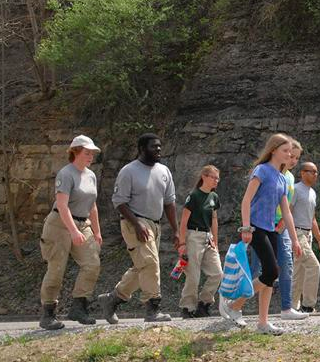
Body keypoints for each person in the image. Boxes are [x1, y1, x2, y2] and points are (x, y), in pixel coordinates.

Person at [223, 133, 303, 335]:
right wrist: (246, 227)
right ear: (273, 150)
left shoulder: (282, 178)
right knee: (271, 272)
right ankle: (234, 305)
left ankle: (263, 323)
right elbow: (246, 200)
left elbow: (286, 212)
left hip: (272, 229)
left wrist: (295, 240)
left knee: (269, 277)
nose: (288, 155)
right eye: (285, 151)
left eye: (290, 152)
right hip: (256, 228)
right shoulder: (262, 170)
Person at [99, 133, 180, 323]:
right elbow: (119, 202)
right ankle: (153, 308)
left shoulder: (164, 171)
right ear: (142, 149)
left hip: (155, 224)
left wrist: (176, 230)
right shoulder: (129, 171)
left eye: (160, 147)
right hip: (134, 222)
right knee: (151, 263)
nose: (158, 150)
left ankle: (112, 299)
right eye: (154, 147)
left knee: (142, 266)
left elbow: (169, 203)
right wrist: (136, 224)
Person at [38, 135, 103, 330]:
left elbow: (93, 205)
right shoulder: (66, 174)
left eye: (92, 153)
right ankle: (48, 313)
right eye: (87, 153)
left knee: (92, 264)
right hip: (59, 224)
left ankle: (79, 307)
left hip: (83, 223)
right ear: (75, 152)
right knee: (56, 269)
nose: (90, 156)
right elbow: (62, 205)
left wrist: (97, 231)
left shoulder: (91, 175)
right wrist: (73, 231)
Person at [251, 139, 308, 320]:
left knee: (284, 266)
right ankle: (235, 301)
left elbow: (287, 206)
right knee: (257, 268)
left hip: (280, 227)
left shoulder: (288, 177)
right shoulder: (266, 171)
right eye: (291, 155)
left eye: (296, 158)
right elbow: (253, 201)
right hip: (262, 225)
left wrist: (290, 233)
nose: (292, 160)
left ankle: (286, 307)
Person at [177, 165, 222, 318]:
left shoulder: (214, 196)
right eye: (213, 177)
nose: (216, 181)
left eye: (217, 178)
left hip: (207, 236)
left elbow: (214, 219)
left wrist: (215, 240)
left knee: (217, 273)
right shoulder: (194, 195)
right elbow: (183, 221)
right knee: (193, 276)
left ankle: (204, 303)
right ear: (204, 176)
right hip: (193, 236)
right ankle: (187, 307)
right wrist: (182, 243)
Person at [291, 161, 320, 313]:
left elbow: (312, 219)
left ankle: (292, 307)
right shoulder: (295, 189)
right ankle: (308, 305)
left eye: (316, 172)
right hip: (296, 232)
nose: (315, 175)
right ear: (302, 173)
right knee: (314, 266)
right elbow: (287, 212)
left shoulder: (312, 193)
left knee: (298, 271)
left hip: (307, 235)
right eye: (311, 171)